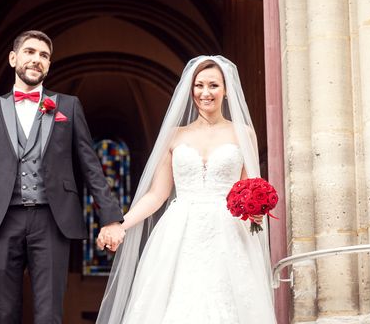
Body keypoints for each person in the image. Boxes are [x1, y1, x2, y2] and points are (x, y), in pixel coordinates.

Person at [0, 30, 125, 324]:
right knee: (2, 313)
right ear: (13, 58)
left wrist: (111, 217)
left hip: (52, 219)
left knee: (49, 313)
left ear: (49, 65)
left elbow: (90, 165)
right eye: (30, 52)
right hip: (3, 220)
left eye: (44, 56)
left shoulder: (68, 106)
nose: (37, 60)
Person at [96, 55, 277, 323]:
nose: (206, 93)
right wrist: (122, 225)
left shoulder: (244, 133)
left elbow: (249, 188)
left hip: (227, 233)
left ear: (226, 90)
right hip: (179, 231)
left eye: (214, 85)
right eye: (199, 85)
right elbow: (157, 194)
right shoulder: (174, 135)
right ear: (190, 90)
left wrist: (255, 212)